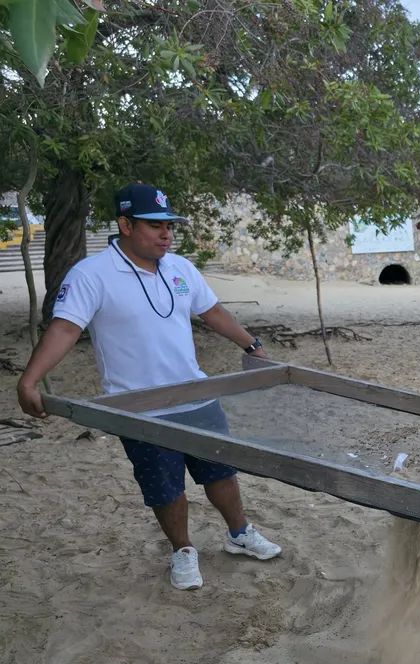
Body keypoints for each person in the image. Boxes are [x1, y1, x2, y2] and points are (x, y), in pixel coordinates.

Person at [16, 183, 282, 591]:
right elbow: (67, 328)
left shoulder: (180, 268)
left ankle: (239, 533)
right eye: (155, 225)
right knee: (164, 486)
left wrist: (252, 344)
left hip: (196, 394)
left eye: (170, 225)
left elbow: (211, 311)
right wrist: (30, 379)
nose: (166, 234)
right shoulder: (92, 275)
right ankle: (183, 551)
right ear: (124, 224)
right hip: (140, 407)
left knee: (221, 472)